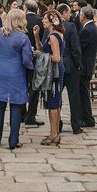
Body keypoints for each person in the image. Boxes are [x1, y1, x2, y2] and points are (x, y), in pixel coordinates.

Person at [0, 9, 34, 149]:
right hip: (17, 73)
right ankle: (13, 141)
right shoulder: (23, 38)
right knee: (16, 106)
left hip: (0, 72)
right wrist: (31, 67)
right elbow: (26, 60)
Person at [33, 9, 64, 146]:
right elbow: (42, 49)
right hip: (54, 71)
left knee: (53, 103)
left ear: (52, 21)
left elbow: (56, 57)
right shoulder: (54, 34)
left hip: (55, 72)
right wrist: (36, 36)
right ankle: (54, 133)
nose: (42, 21)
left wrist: (41, 56)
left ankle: (54, 134)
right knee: (54, 103)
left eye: (45, 19)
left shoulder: (53, 37)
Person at [57, 3, 83, 134]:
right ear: (63, 13)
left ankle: (57, 123)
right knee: (74, 97)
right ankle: (76, 125)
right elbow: (75, 48)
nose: (70, 15)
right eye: (68, 13)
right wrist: (78, 64)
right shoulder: (70, 26)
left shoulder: (51, 27)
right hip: (70, 66)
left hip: (57, 66)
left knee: (57, 97)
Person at [78, 6, 97, 128]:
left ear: (84, 16)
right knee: (83, 92)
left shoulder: (87, 30)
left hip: (84, 65)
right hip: (88, 64)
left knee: (83, 93)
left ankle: (88, 118)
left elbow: (80, 48)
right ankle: (85, 117)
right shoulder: (92, 27)